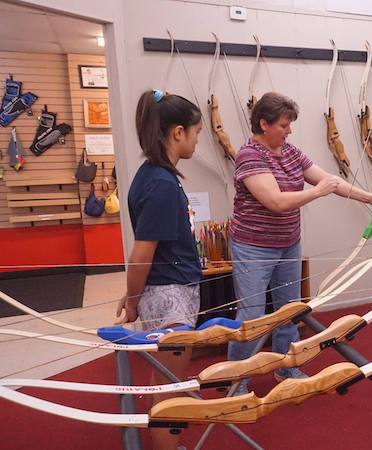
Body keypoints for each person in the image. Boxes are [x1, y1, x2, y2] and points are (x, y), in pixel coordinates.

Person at [228, 92, 372, 390]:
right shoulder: (249, 155)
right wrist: (317, 192)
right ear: (264, 123)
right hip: (253, 247)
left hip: (288, 242)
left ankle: (286, 368)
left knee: (289, 309)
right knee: (252, 315)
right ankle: (236, 381)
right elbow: (276, 201)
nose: (289, 130)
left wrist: (369, 197)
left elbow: (330, 179)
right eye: (284, 125)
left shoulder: (289, 151)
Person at [115, 89, 204, 450]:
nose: (198, 139)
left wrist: (136, 295)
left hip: (170, 290)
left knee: (168, 380)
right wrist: (133, 301)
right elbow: (140, 256)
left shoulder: (154, 176)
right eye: (196, 131)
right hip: (170, 295)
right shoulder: (160, 183)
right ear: (177, 133)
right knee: (171, 386)